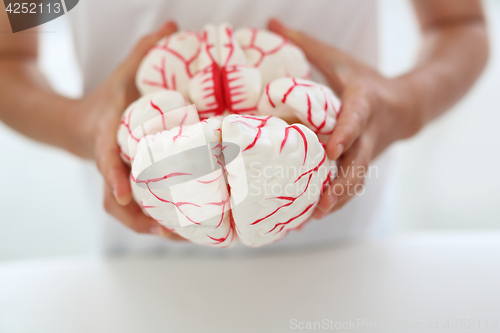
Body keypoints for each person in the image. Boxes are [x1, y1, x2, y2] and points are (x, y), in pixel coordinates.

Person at [0, 0, 488, 254]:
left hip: (344, 251)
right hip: (141, 263)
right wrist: (80, 126)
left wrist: (401, 105)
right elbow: (12, 48)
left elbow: (457, 23)